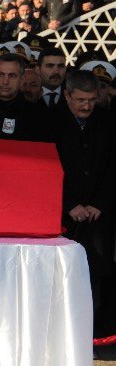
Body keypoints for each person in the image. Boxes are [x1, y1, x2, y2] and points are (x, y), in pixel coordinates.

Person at [52, 70, 116, 340]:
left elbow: (114, 167)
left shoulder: (109, 122)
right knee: (62, 275)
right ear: (67, 95)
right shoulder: (50, 122)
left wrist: (99, 203)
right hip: (62, 216)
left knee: (99, 274)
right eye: (80, 100)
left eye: (91, 99)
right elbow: (48, 169)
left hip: (100, 216)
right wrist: (70, 205)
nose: (86, 106)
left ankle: (95, 335)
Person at [0, 53, 48, 141]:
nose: (5, 81)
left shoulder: (39, 115)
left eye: (12, 76)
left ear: (22, 79)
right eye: (0, 75)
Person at [36, 47, 67, 111]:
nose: (56, 71)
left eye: (61, 66)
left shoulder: (74, 96)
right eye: (50, 66)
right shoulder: (29, 95)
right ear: (37, 70)